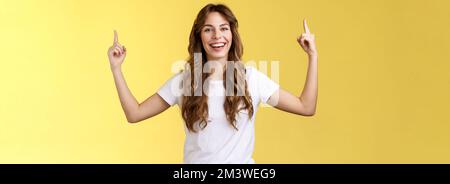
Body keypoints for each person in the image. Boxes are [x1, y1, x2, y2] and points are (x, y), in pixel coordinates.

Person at [107, 3, 318, 164]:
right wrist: (116, 68)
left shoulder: (251, 78)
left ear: (232, 34)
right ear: (199, 35)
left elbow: (306, 107)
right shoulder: (184, 81)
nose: (217, 36)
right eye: (208, 29)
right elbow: (134, 114)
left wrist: (312, 55)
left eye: (223, 28)